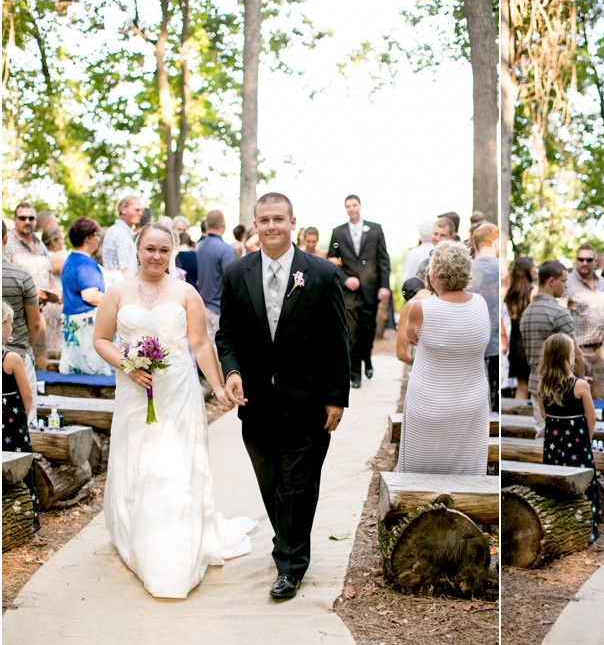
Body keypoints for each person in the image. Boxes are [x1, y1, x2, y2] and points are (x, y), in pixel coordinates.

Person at [92, 221, 253, 599]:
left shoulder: (185, 292)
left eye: (164, 250)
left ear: (174, 252)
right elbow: (101, 339)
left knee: (174, 463)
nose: (157, 256)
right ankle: (137, 534)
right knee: (138, 459)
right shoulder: (118, 292)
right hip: (135, 391)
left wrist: (217, 387)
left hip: (179, 389)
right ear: (138, 248)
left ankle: (172, 549)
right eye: (150, 248)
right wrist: (127, 365)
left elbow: (199, 344)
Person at [217, 192, 350, 600]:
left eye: (279, 219)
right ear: (254, 225)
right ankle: (289, 539)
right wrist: (233, 371)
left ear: (293, 223)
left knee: (297, 482)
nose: (271, 226)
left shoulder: (323, 273)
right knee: (270, 480)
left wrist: (336, 397)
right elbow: (227, 334)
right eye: (264, 220)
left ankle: (290, 564)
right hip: (256, 401)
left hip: (306, 400)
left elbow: (337, 340)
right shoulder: (236, 272)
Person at [398, 239, 491, 474]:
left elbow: (412, 337)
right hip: (471, 405)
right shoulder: (481, 304)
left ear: (436, 275)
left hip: (428, 404)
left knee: (421, 470)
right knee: (466, 472)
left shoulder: (421, 309)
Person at [537, 332, 599, 540]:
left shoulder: (542, 386)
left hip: (554, 445)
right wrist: (587, 441)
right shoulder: (580, 385)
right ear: (568, 357)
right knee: (584, 483)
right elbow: (591, 417)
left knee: (556, 482)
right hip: (578, 444)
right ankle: (588, 527)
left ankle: (559, 523)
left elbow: (545, 416)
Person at [327, 194, 391, 388]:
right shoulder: (338, 232)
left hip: (371, 288)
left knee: (368, 330)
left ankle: (368, 360)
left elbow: (383, 259)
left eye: (354, 205)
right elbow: (331, 260)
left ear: (360, 206)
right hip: (350, 292)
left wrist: (384, 285)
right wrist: (346, 280)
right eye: (348, 206)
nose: (351, 209)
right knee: (352, 332)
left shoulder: (375, 229)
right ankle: (355, 373)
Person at [521, 260, 586, 438]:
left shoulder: (526, 312)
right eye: (564, 281)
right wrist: (581, 379)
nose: (566, 286)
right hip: (562, 389)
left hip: (536, 383)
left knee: (543, 433)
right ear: (551, 281)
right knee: (563, 439)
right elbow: (576, 354)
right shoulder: (558, 313)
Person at [2, 300, 40, 531]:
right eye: (10, 323)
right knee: (22, 462)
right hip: (12, 420)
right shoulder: (11, 358)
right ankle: (26, 513)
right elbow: (27, 394)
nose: (11, 329)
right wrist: (23, 417)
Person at [59, 217, 113, 376]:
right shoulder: (85, 264)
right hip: (84, 325)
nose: (98, 239)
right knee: (92, 372)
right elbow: (90, 295)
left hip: (71, 321)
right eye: (96, 235)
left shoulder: (70, 260)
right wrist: (115, 300)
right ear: (88, 238)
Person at [563, 244, 604, 401]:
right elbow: (560, 319)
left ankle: (596, 426)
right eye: (580, 259)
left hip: (600, 351)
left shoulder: (603, 283)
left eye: (588, 259)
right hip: (577, 351)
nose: (584, 263)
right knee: (577, 398)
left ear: (595, 261)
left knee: (599, 397)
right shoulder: (567, 282)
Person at [7, 202, 55, 370]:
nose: (27, 221)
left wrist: (51, 292)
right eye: (22, 218)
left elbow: (48, 275)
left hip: (37, 313)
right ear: (15, 220)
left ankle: (39, 396)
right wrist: (31, 292)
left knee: (41, 361)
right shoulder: (7, 243)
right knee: (17, 362)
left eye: (31, 218)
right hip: (14, 315)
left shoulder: (40, 244)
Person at [2, 221, 41, 420]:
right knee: (25, 417)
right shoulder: (22, 276)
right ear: (6, 239)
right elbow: (35, 323)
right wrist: (26, 348)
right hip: (17, 352)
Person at [467, 223, 501, 413]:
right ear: (496, 242)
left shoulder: (467, 271)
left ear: (474, 242)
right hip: (495, 345)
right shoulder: (502, 270)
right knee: (494, 406)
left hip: (470, 344)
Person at [196, 210, 235, 348]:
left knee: (208, 349)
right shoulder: (226, 250)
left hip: (204, 304)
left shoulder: (200, 246)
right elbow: (231, 281)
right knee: (222, 351)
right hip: (219, 307)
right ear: (223, 224)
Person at [504, 257, 535, 400]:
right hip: (530, 343)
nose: (536, 270)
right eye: (534, 267)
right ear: (527, 271)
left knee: (522, 386)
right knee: (535, 386)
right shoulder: (532, 293)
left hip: (516, 342)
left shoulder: (509, 293)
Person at [103, 195, 144, 279]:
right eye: (136, 210)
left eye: (141, 210)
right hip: (122, 288)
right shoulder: (122, 234)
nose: (140, 213)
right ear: (123, 210)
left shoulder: (114, 230)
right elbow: (127, 273)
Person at [40, 225, 66, 354]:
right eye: (60, 238)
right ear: (53, 241)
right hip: (57, 303)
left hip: (44, 304)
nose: (63, 241)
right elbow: (67, 282)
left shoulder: (39, 257)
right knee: (57, 341)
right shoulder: (57, 259)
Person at [396, 277, 430, 366]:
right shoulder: (441, 300)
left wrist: (414, 362)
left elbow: (401, 354)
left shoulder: (409, 307)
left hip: (426, 363)